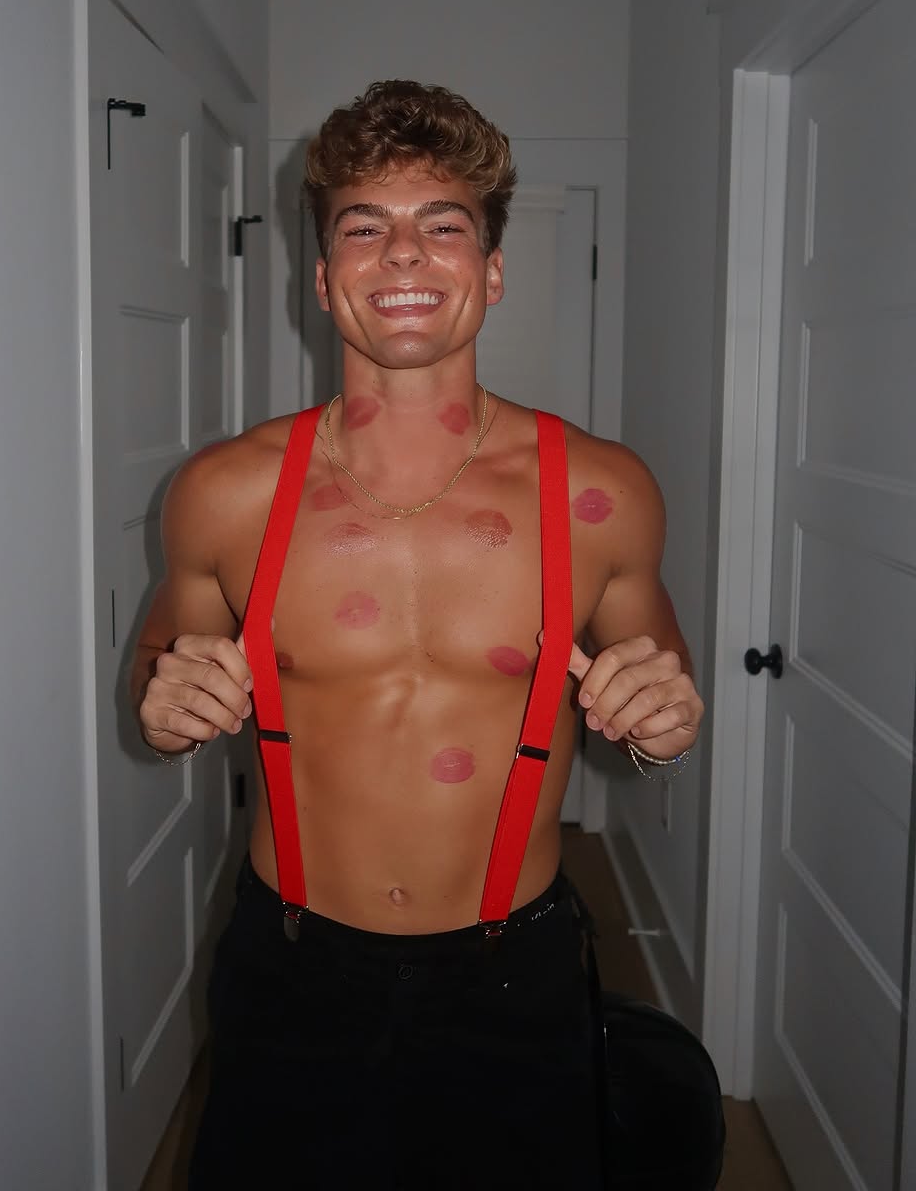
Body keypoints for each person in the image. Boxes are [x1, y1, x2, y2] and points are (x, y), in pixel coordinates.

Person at [133, 80, 705, 1188]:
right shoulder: (224, 493)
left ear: (492, 269)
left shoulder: (601, 493)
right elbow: (164, 675)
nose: (403, 254)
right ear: (321, 277)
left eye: (442, 226)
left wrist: (664, 728)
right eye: (365, 228)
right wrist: (163, 709)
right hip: (291, 969)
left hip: (517, 975)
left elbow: (663, 697)